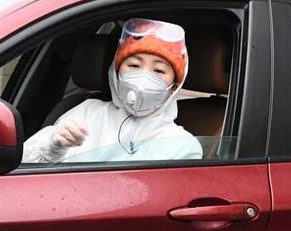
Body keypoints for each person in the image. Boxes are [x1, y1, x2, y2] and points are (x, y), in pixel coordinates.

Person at [22, 18, 203, 163]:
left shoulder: (182, 146)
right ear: (115, 73)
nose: (143, 77)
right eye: (134, 65)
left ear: (174, 86)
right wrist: (54, 146)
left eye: (158, 70)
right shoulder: (88, 112)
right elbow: (22, 167)